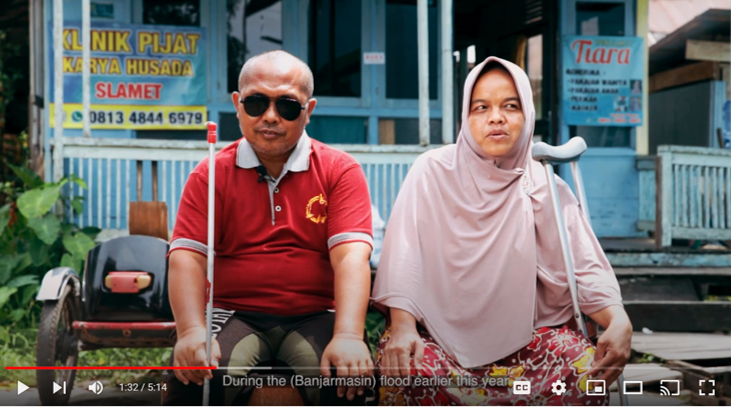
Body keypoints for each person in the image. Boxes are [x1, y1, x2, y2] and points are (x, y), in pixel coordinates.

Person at [371, 57, 632, 405]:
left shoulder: (544, 185)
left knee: (583, 369)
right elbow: (405, 257)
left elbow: (584, 267)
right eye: (481, 107)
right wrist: (403, 327)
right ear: (466, 116)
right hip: (440, 340)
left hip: (526, 344)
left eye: (511, 106)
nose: (496, 117)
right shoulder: (432, 171)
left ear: (527, 116)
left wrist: (618, 320)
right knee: (407, 367)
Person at [164, 50, 375, 405]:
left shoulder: (340, 170)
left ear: (308, 111)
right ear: (238, 103)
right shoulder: (211, 173)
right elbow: (187, 257)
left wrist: (351, 335)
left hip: (317, 313)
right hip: (232, 312)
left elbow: (352, 257)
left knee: (347, 379)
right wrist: (190, 332)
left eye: (288, 106)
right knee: (195, 378)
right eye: (257, 103)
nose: (271, 117)